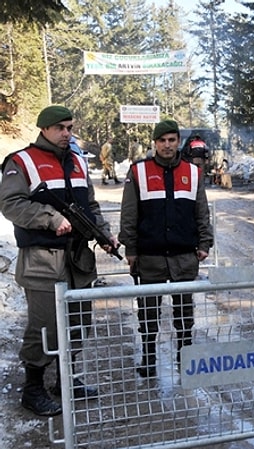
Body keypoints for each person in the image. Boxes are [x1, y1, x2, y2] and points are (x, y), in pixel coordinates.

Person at [0, 105, 119, 416]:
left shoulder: (78, 161)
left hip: (78, 258)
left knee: (79, 323)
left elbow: (89, 205)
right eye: (60, 128)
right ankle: (33, 388)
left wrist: (105, 235)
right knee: (45, 327)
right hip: (42, 260)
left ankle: (66, 380)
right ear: (44, 129)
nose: (67, 133)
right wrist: (49, 219)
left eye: (69, 127)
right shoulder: (21, 161)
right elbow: (10, 204)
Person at [119, 119, 214, 378]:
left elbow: (201, 212)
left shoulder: (193, 173)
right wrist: (131, 249)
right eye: (162, 140)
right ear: (155, 143)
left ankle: (185, 361)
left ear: (178, 142)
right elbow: (129, 214)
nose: (167, 145)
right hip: (150, 257)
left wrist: (205, 242)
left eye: (172, 140)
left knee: (184, 314)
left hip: (184, 256)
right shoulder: (138, 171)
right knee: (148, 313)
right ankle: (149, 360)